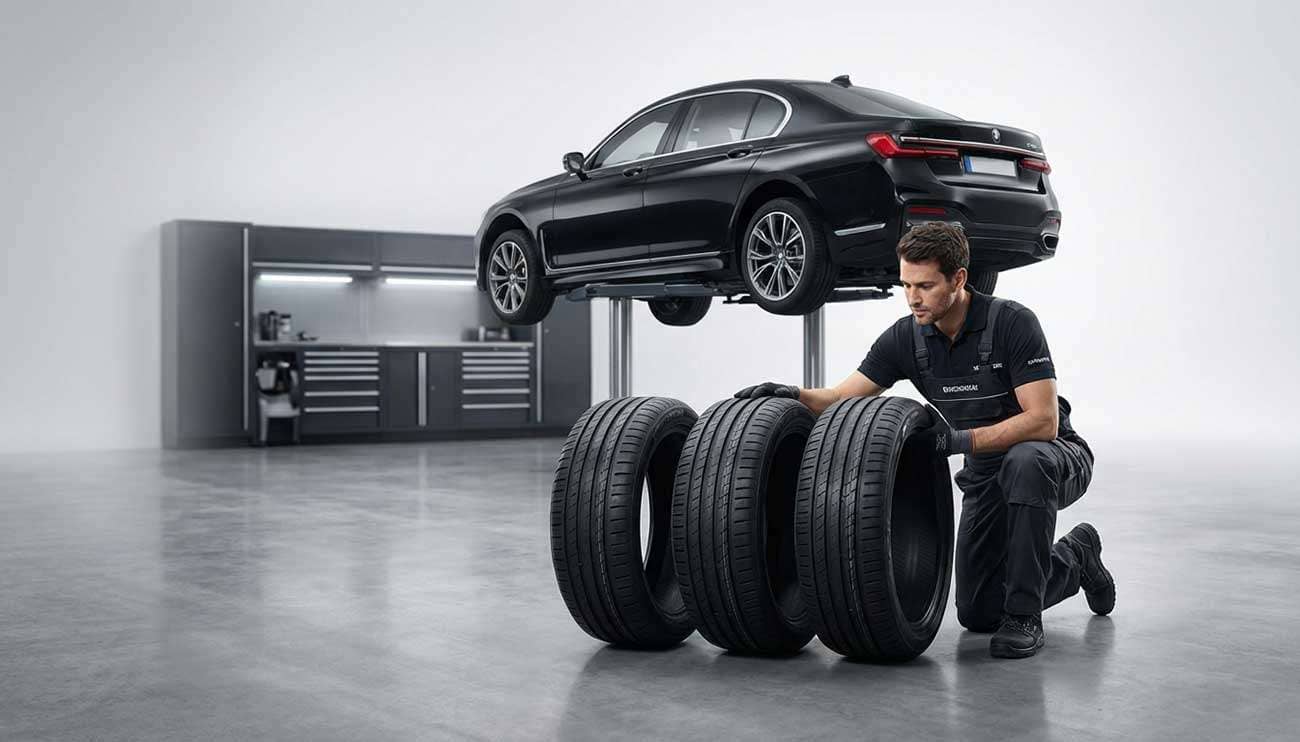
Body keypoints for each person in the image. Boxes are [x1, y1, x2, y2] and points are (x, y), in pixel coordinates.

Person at [735, 222, 1114, 659]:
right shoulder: (907, 337)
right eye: (906, 285)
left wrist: (959, 439)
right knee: (978, 610)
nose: (913, 297)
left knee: (1025, 463)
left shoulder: (1011, 323)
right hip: (987, 469)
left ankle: (1026, 617)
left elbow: (1042, 422)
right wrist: (793, 395)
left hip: (1054, 457)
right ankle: (1078, 555)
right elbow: (840, 396)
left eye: (926, 285)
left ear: (958, 278)